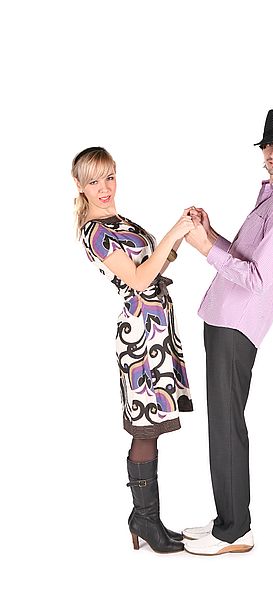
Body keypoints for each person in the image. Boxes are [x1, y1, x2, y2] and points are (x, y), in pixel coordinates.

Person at [182, 106, 273, 555]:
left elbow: (259, 280)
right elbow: (245, 257)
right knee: (221, 423)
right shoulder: (272, 200)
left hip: (238, 327)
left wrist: (206, 251)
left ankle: (235, 530)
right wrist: (210, 233)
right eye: (268, 145)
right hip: (223, 318)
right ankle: (227, 518)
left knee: (227, 426)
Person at [72, 146, 195, 554]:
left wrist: (183, 234)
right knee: (146, 427)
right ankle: (144, 518)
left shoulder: (118, 221)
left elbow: (152, 265)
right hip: (142, 336)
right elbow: (140, 280)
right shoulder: (96, 231)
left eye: (109, 177)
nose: (104, 188)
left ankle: (147, 518)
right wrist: (173, 233)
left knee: (154, 426)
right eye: (94, 181)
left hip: (157, 330)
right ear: (80, 186)